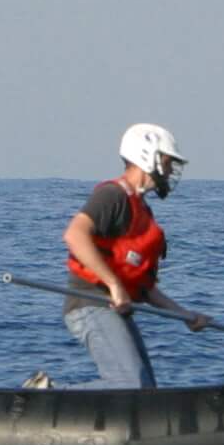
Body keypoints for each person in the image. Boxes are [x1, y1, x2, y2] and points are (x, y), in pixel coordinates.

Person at [54, 124, 206, 389]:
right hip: (89, 303)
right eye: (168, 162)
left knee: (145, 390)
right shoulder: (112, 195)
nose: (170, 171)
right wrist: (113, 285)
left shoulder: (143, 213)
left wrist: (185, 315)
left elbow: (146, 290)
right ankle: (47, 397)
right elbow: (75, 235)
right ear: (147, 156)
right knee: (129, 385)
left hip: (116, 308)